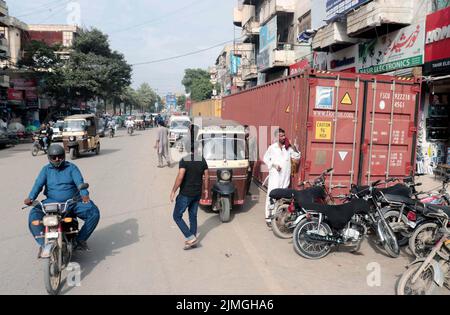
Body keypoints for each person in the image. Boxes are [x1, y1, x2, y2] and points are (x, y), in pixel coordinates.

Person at [24, 144, 100, 256]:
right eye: (53, 157)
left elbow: (80, 182)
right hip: (51, 202)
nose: (57, 159)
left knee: (94, 213)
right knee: (34, 214)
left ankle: (79, 240)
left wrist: (84, 195)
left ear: (64, 156)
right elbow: (38, 185)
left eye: (59, 156)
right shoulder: (45, 170)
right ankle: (43, 243)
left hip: (72, 202)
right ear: (49, 157)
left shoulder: (71, 168)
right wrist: (30, 198)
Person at [170, 141, 208, 250]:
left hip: (186, 194)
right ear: (197, 149)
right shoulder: (202, 160)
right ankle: (193, 239)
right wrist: (205, 190)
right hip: (197, 193)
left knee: (177, 216)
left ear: (187, 149)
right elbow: (206, 176)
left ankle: (190, 238)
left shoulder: (185, 159)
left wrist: (173, 191)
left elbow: (180, 176)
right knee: (193, 216)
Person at [263, 128, 300, 227]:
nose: (284, 137)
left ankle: (278, 216)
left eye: (284, 135)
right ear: (276, 137)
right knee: (271, 196)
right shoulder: (272, 148)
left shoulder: (288, 148)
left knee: (282, 198)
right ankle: (268, 217)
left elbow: (296, 157)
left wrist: (295, 147)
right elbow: (265, 158)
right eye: (281, 136)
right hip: (275, 177)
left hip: (285, 178)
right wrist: (274, 165)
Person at [244, 125, 258, 196]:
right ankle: (243, 190)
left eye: (247, 130)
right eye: (245, 130)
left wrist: (255, 159)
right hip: (244, 160)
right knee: (244, 176)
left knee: (249, 176)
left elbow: (255, 149)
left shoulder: (253, 138)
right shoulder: (241, 139)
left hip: (251, 160)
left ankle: (247, 191)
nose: (246, 131)